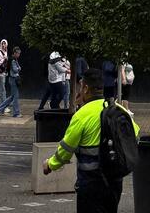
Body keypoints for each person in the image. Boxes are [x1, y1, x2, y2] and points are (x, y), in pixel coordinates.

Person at [44, 65, 140, 213]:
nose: (80, 90)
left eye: (81, 86)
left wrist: (50, 164)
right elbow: (135, 134)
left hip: (91, 183)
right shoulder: (118, 110)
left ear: (86, 88)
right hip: (114, 181)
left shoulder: (82, 115)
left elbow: (66, 149)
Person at [0, 46, 21, 117]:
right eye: (18, 53)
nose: (19, 55)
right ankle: (16, 113)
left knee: (12, 97)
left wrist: (18, 68)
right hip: (13, 79)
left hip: (13, 79)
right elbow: (16, 70)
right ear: (15, 53)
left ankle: (0, 108)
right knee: (15, 96)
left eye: (19, 53)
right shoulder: (13, 60)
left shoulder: (14, 59)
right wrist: (19, 68)